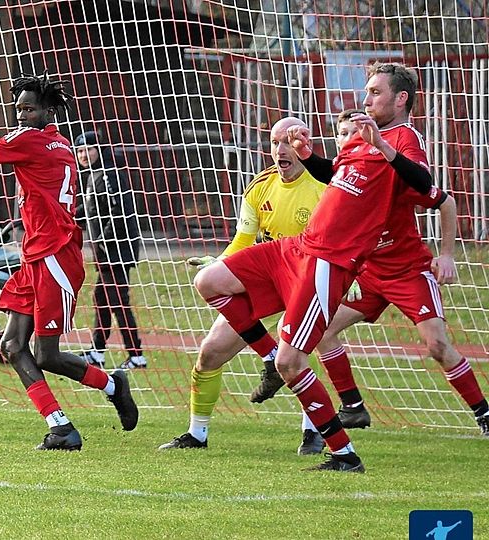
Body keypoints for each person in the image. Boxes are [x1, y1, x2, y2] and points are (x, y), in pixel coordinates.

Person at [193, 62, 435, 473]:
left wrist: (383, 146)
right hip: (298, 248)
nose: (366, 99)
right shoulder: (358, 142)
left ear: (400, 99)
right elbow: (336, 177)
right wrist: (308, 155)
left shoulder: (402, 138)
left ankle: (342, 452)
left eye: (375, 92)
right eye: (367, 91)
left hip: (329, 261)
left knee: (294, 362)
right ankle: (268, 357)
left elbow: (426, 186)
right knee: (210, 280)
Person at [0, 50, 138, 451]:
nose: (21, 116)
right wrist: (0, 136)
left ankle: (112, 384)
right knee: (11, 346)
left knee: (46, 354)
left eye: (29, 109)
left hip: (54, 255)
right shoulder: (58, 143)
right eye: (18, 109)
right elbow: (27, 155)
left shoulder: (30, 140)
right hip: (36, 255)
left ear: (47, 111)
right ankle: (61, 427)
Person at [292, 113, 489, 440]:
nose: (346, 139)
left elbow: (445, 201)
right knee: (322, 329)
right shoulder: (348, 174)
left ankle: (484, 412)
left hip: (407, 272)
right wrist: (305, 154)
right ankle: (353, 407)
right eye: (341, 134)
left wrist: (447, 255)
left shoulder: (391, 177)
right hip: (368, 273)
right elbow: (330, 177)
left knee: (438, 345)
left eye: (351, 133)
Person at [159, 117, 328, 454]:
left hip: (308, 279)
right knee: (210, 353)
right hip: (267, 276)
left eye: (288, 142)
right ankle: (197, 435)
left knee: (292, 354)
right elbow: (243, 241)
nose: (280, 150)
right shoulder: (259, 187)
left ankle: (313, 431)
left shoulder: (325, 186)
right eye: (275, 142)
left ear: (304, 145)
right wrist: (220, 263)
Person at [71, 129, 145, 370]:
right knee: (101, 297)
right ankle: (97, 352)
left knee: (117, 300)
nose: (84, 154)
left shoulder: (109, 175)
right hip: (104, 253)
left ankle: (136, 355)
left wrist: (103, 241)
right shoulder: (95, 176)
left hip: (116, 251)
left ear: (99, 150)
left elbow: (119, 213)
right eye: (80, 150)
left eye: (88, 149)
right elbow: (90, 210)